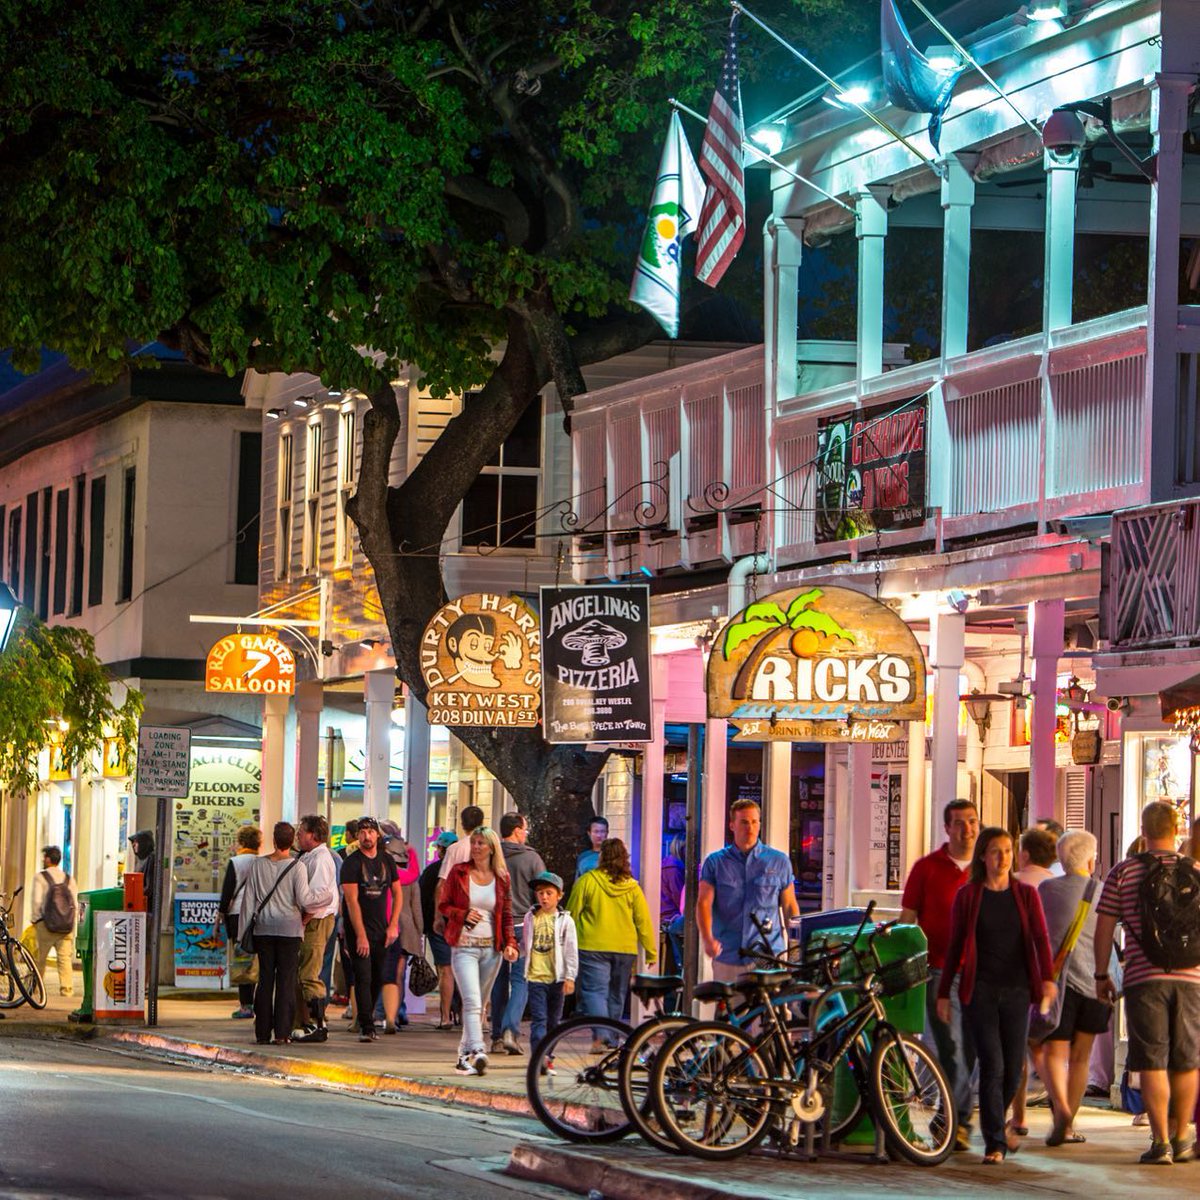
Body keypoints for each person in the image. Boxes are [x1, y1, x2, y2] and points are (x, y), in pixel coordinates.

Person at [939, 827, 1056, 1164]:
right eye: (995, 851)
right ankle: (995, 1143)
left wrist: (1046, 979)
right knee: (993, 1064)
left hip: (1018, 991)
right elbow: (956, 945)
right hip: (981, 991)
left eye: (1007, 850)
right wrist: (944, 992)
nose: (1003, 858)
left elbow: (1040, 937)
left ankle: (995, 1120)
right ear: (983, 857)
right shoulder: (969, 896)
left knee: (1014, 1069)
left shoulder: (1025, 895)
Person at [1094, 801, 1200, 1165]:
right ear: (1176, 829)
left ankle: (1160, 1143)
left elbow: (1105, 926)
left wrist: (1101, 974)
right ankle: (1183, 1136)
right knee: (1187, 1060)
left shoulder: (1123, 872)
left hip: (1143, 978)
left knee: (1152, 1060)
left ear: (1144, 830)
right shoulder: (1196, 869)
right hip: (1192, 978)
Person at [900, 798, 980, 1151]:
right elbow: (908, 919)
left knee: (974, 1050)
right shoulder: (927, 868)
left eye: (973, 821)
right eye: (960, 823)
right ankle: (958, 1122)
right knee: (951, 1048)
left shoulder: (988, 866)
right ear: (946, 828)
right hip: (940, 971)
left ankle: (952, 1118)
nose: (968, 829)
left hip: (983, 974)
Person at [1035, 830, 1110, 1147]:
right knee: (1082, 1057)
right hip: (1094, 982)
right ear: (1091, 859)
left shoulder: (1046, 889)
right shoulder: (1104, 891)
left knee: (1054, 1051)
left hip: (1058, 984)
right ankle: (1068, 1124)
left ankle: (1060, 1110)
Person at [439, 827, 519, 1075]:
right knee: (472, 1000)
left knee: (479, 1004)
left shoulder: (502, 877)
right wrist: (462, 914)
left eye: (480, 843)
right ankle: (478, 1050)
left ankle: (463, 1055)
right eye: (473, 843)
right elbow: (444, 904)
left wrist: (511, 943)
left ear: (491, 848)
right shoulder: (459, 872)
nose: (475, 847)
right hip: (464, 946)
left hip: (491, 948)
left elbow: (506, 913)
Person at [243, 821, 331, 1046]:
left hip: (263, 930)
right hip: (290, 931)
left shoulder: (258, 865)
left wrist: (244, 930)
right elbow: (304, 900)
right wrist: (327, 897)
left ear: (273, 839)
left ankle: (262, 1032)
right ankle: (282, 1033)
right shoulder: (297, 866)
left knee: (265, 981)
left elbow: (249, 900)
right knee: (286, 981)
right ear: (291, 841)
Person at [567, 837, 656, 1048]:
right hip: (624, 948)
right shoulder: (633, 887)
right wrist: (651, 951)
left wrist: (565, 943)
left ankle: (602, 1035)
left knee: (595, 993)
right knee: (617, 995)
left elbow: (571, 913)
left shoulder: (587, 881)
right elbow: (643, 921)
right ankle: (613, 1039)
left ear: (602, 857)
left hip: (592, 946)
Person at [696, 799, 798, 982]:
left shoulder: (779, 861)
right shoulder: (715, 863)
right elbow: (704, 903)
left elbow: (790, 905)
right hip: (729, 954)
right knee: (731, 1008)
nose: (749, 827)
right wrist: (707, 939)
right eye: (744, 822)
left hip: (767, 955)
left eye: (754, 822)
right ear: (732, 825)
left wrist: (796, 948)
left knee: (771, 1009)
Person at [340, 815, 403, 1043]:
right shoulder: (352, 863)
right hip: (358, 929)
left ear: (378, 834)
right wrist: (360, 935)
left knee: (378, 976)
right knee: (363, 976)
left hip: (382, 929)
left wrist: (393, 923)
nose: (367, 836)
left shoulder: (387, 860)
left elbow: (397, 893)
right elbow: (351, 901)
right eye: (362, 832)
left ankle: (366, 1017)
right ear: (358, 836)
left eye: (371, 831)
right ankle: (366, 1025)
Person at [491, 811, 546, 1055]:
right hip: (523, 926)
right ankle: (510, 1030)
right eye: (524, 829)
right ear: (516, 831)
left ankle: (496, 1036)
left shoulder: (492, 856)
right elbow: (543, 891)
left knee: (498, 981)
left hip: (496, 925)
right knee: (520, 980)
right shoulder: (532, 859)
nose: (525, 834)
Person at [290, 815, 340, 1043]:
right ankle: (305, 1020)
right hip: (313, 919)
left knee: (310, 972)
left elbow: (319, 895)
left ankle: (318, 1023)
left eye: (302, 831)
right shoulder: (310, 857)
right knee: (302, 972)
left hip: (318, 920)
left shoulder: (321, 859)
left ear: (313, 835)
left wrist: (305, 917)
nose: (298, 835)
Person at [524, 871, 579, 1073]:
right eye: (540, 893)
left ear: (559, 895)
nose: (544, 897)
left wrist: (570, 976)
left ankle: (547, 1056)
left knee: (554, 1022)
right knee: (539, 1019)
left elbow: (571, 950)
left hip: (557, 978)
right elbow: (526, 943)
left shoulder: (566, 921)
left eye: (548, 893)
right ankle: (538, 1058)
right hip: (535, 977)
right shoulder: (531, 917)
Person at [378, 821, 422, 1035]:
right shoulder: (407, 875)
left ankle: (384, 1013)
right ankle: (396, 1012)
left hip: (383, 925)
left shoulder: (380, 872)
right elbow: (416, 907)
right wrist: (420, 933)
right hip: (405, 929)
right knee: (398, 972)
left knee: (382, 971)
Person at [217, 825, 263, 1018]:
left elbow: (228, 890)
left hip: (237, 915)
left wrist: (220, 912)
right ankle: (261, 1003)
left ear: (241, 842)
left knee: (243, 958)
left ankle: (246, 1005)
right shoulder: (263, 862)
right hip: (258, 915)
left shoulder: (236, 862)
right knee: (258, 959)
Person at [420, 831, 458, 1029]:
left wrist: (426, 925)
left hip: (439, 927)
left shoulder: (432, 872)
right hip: (461, 925)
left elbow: (423, 899)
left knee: (445, 970)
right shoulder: (466, 871)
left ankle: (445, 1017)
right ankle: (472, 1016)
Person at [30, 846, 78, 996]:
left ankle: (37, 990)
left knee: (40, 959)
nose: (43, 860)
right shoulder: (69, 879)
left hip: (46, 924)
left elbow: (37, 901)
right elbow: (74, 904)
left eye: (44, 857)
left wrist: (35, 920)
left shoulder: (40, 877)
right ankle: (67, 991)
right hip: (65, 926)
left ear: (49, 859)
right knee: (64, 959)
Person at [128, 830, 156, 912]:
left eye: (136, 842)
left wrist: (132, 894)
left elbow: (149, 888)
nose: (133, 845)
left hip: (147, 906)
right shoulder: (141, 859)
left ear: (144, 843)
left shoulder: (151, 858)